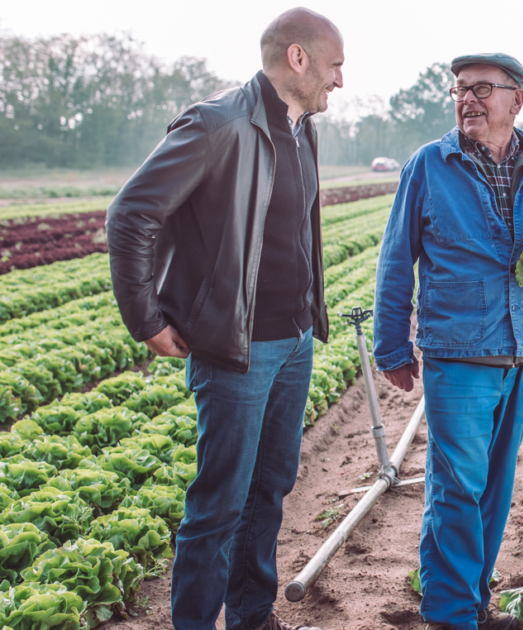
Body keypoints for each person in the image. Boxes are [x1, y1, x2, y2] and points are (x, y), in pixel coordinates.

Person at [106, 7, 343, 630]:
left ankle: (251, 614)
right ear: (299, 58)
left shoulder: (300, 126)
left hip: (292, 344)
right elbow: (131, 214)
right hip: (237, 350)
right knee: (219, 504)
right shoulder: (218, 125)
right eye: (335, 66)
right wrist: (145, 318)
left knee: (269, 490)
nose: (340, 81)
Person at [372, 53, 523, 630]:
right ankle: (449, 615)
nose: (467, 99)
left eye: (481, 89)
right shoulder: (430, 165)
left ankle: (473, 604)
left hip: (522, 349)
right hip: (458, 353)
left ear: (516, 100)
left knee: (495, 490)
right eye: (459, 89)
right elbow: (396, 258)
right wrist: (393, 346)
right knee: (456, 490)